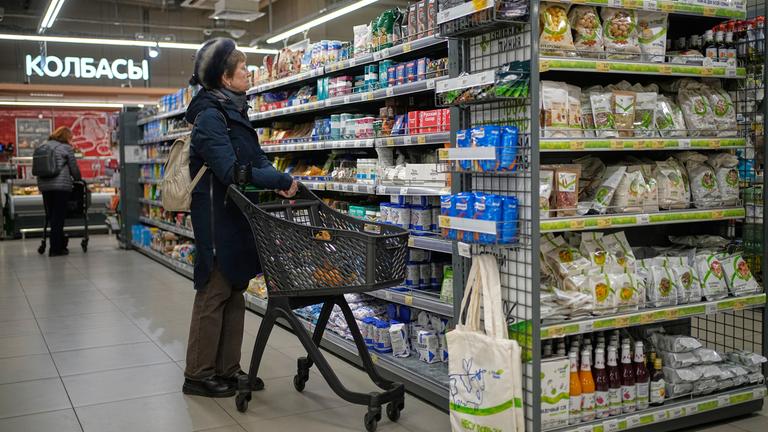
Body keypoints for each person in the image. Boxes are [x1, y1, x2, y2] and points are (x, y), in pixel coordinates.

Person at [182, 38, 298, 398]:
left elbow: (257, 159)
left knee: (234, 288)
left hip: (237, 214)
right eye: (243, 69)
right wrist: (276, 179)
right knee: (213, 290)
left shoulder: (235, 110)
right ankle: (198, 375)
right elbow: (231, 170)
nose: (249, 73)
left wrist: (283, 180)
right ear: (225, 78)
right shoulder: (209, 117)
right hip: (216, 214)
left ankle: (228, 369)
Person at [37, 126, 81, 257]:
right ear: (66, 137)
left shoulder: (43, 146)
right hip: (61, 187)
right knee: (59, 217)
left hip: (45, 186)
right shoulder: (66, 148)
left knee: (52, 216)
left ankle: (58, 243)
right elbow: (74, 168)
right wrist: (78, 178)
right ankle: (55, 248)